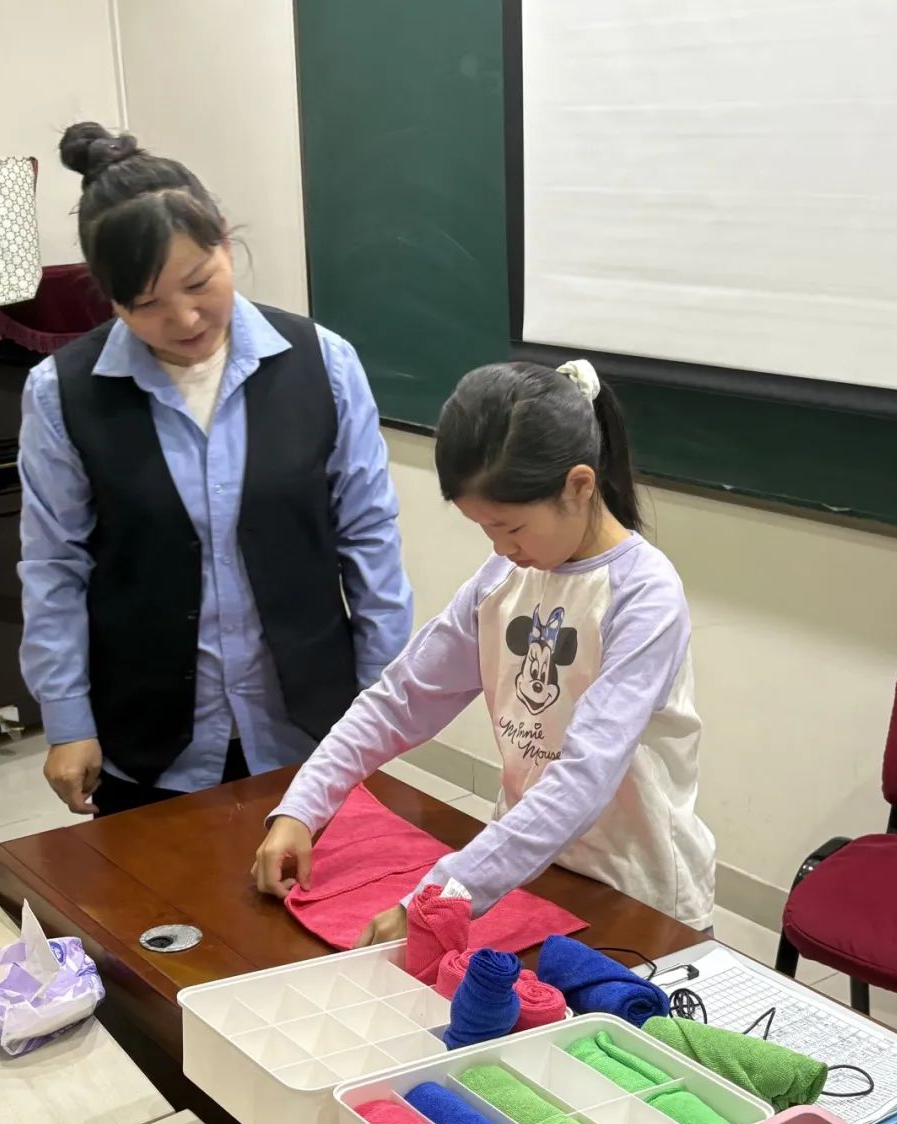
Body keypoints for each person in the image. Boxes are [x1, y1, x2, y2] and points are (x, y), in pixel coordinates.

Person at [19, 122, 413, 816]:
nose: (184, 318)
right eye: (145, 304)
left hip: (310, 731)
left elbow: (369, 538)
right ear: (109, 297)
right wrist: (68, 720)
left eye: (199, 282)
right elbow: (55, 566)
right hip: (147, 739)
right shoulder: (62, 393)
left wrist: (382, 698)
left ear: (225, 241)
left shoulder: (323, 363)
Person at [255, 358, 716, 940]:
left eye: (512, 528)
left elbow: (585, 775)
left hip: (633, 891)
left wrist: (439, 895)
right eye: (485, 530)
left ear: (579, 486)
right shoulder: (504, 577)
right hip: (522, 870)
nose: (501, 548)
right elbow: (400, 700)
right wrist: (302, 805)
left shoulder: (644, 594)